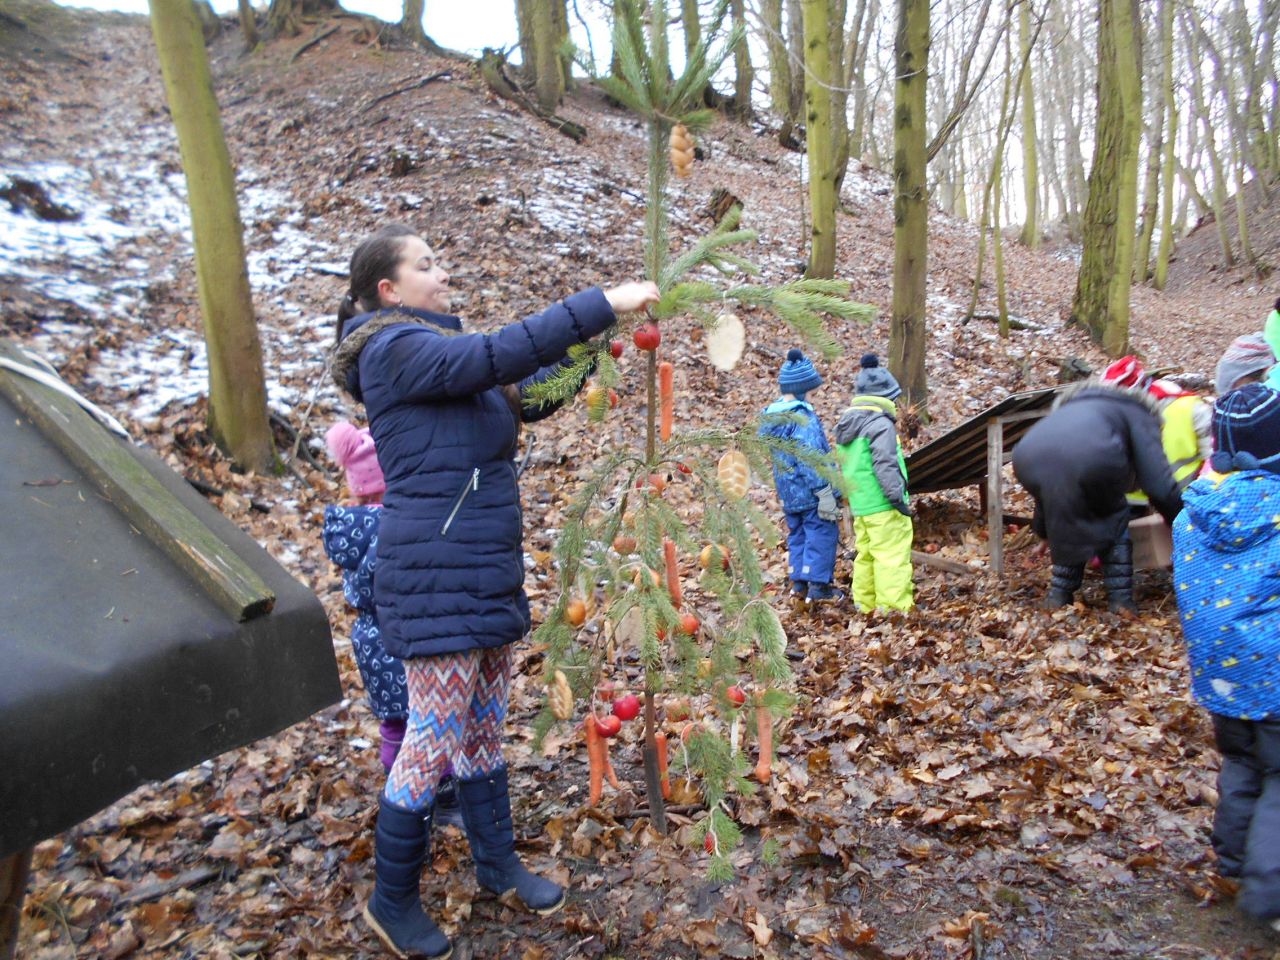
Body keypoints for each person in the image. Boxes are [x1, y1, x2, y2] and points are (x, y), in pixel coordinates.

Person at [331, 223, 659, 960]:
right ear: (388, 288)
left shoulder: (439, 359)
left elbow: (525, 392)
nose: (442, 274)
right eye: (427, 263)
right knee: (431, 741)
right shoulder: (393, 350)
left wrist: (592, 347)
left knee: (482, 729)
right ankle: (392, 901)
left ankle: (498, 865)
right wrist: (602, 302)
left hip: (480, 570)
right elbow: (493, 354)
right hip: (435, 576)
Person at [1172, 382, 1280, 928]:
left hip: (1218, 674)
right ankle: (1271, 891)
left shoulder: (1193, 515)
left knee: (1242, 762)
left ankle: (1234, 864)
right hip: (1273, 673)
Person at [320, 421, 463, 827]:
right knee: (430, 721)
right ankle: (441, 793)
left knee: (394, 724)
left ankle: (396, 787)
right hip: (408, 636)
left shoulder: (351, 530)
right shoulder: (395, 526)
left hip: (370, 640)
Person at [1012, 356, 1181, 613]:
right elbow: (1159, 484)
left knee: (1070, 510)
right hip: (1094, 458)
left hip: (1026, 457)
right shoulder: (1139, 412)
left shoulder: (1074, 409)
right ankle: (1121, 602)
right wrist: (1182, 522)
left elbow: (1050, 496)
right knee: (1112, 517)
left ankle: (1058, 597)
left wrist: (1045, 533)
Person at [758, 349, 844, 604]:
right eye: (812, 393)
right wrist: (825, 491)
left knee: (797, 535)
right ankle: (819, 586)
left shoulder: (773, 418)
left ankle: (799, 582)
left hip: (789, 493)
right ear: (801, 390)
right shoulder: (802, 418)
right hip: (811, 491)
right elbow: (811, 459)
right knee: (821, 534)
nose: (812, 398)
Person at [832, 353, 914, 613]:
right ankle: (892, 609)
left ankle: (865, 604)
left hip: (861, 506)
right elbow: (885, 463)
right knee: (891, 555)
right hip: (883, 504)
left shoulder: (847, 425)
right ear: (885, 397)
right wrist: (897, 498)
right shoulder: (880, 425)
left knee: (866, 555)